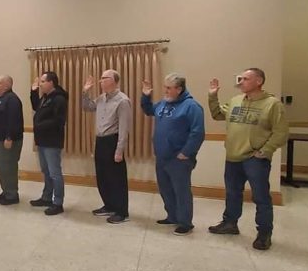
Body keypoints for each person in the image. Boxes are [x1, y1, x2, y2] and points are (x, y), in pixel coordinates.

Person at [207, 68, 288, 250]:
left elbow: (281, 132)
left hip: (255, 159)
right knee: (233, 193)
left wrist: (265, 151)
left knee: (261, 197)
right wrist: (213, 96)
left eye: (245, 78)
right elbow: (218, 114)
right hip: (233, 156)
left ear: (258, 81)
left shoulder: (272, 104)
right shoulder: (235, 100)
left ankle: (264, 233)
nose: (240, 81)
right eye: (240, 78)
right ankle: (230, 224)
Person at [141, 73, 205, 235]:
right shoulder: (163, 103)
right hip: (162, 156)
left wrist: (186, 152)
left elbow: (197, 133)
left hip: (179, 158)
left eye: (169, 88)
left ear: (179, 89)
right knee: (165, 188)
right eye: (165, 87)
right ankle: (172, 216)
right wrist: (146, 96)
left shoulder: (192, 107)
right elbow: (149, 111)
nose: (165, 91)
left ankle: (185, 223)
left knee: (181, 190)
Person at [81, 70, 132, 224]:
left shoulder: (123, 101)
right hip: (101, 141)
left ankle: (122, 212)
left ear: (115, 81)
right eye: (101, 78)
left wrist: (119, 150)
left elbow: (124, 128)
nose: (100, 81)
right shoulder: (101, 98)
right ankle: (109, 205)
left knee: (117, 178)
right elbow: (88, 107)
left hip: (113, 141)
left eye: (104, 78)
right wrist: (85, 92)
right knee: (102, 177)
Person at [29, 72, 68, 215]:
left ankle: (58, 203)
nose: (41, 84)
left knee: (55, 173)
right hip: (42, 141)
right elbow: (35, 107)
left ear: (52, 82)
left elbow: (59, 121)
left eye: (43, 81)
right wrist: (33, 92)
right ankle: (46, 197)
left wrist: (39, 125)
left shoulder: (59, 99)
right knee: (46, 171)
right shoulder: (45, 98)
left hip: (52, 141)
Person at [0, 75, 24, 205]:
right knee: (1, 167)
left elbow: (13, 120)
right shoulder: (0, 99)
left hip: (7, 140)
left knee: (8, 167)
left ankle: (12, 194)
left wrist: (9, 137)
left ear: (7, 85)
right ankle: (6, 190)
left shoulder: (12, 99)